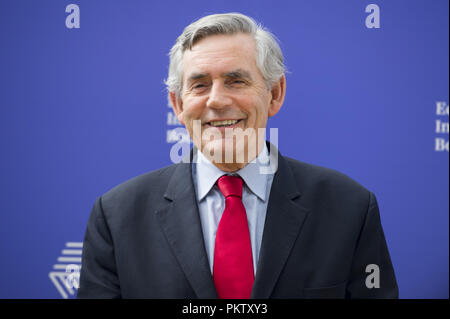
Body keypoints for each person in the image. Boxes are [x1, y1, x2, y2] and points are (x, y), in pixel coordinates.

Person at [77, 12, 398, 299]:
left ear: (275, 94)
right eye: (200, 85)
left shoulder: (349, 207)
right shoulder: (117, 216)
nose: (216, 100)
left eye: (236, 80)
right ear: (177, 105)